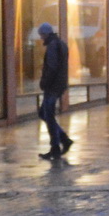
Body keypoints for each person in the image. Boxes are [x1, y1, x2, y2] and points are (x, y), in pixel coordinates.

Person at [36, 22, 71, 160]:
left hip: (53, 86)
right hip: (59, 84)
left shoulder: (52, 46)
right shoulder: (60, 44)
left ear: (45, 34)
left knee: (47, 115)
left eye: (41, 35)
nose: (41, 38)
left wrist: (44, 82)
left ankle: (56, 147)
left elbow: (52, 67)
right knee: (44, 113)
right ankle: (63, 140)